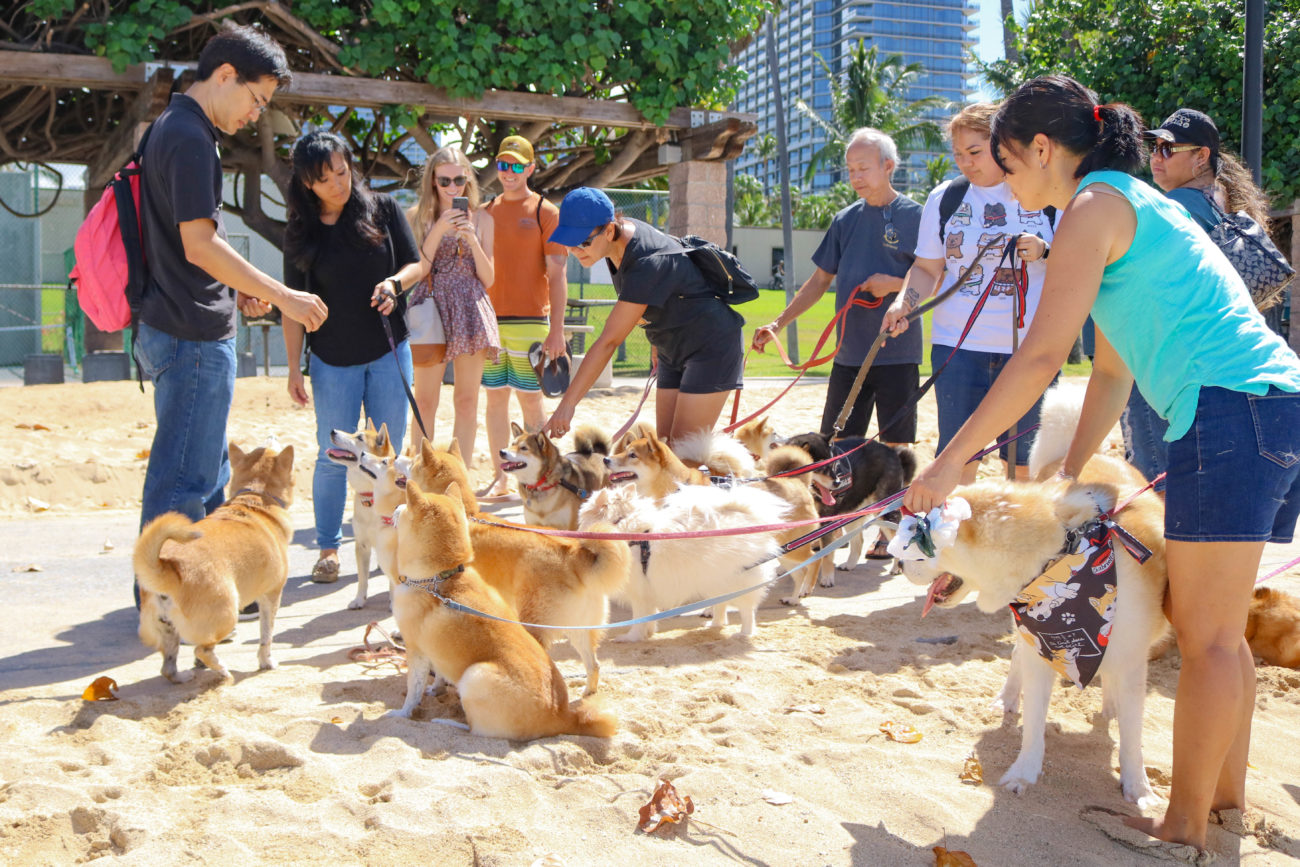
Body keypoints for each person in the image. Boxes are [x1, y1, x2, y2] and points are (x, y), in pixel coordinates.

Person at [903, 74, 1300, 856]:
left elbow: (1040, 356)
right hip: (1264, 405)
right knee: (1216, 630)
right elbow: (1112, 371)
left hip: (1232, 410)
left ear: (1044, 149)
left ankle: (1183, 824)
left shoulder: (1090, 209)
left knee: (1209, 634)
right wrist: (1070, 472)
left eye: (1008, 163)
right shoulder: (1130, 204)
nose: (1007, 182)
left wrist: (949, 463)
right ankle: (1221, 801)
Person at [134, 25, 327, 612]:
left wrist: (235, 289)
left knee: (207, 476)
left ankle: (199, 596)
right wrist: (286, 296)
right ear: (224, 75)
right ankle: (163, 608)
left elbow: (185, 245)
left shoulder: (171, 126)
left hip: (178, 321)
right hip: (188, 331)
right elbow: (199, 245)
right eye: (257, 99)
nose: (256, 114)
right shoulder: (190, 137)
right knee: (184, 485)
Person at [882, 103, 1053, 485]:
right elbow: (927, 267)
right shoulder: (947, 197)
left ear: (1004, 144)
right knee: (957, 460)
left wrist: (1045, 251)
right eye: (958, 154)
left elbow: (1080, 265)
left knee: (1027, 465)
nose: (965, 163)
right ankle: (958, 540)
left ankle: (1025, 543)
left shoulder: (1045, 194)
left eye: (974, 152)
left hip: (1029, 348)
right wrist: (903, 304)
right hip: (958, 346)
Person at [281, 131, 420, 584]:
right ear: (307, 185)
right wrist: (292, 368)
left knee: (389, 456)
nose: (339, 184)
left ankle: (393, 541)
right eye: (325, 179)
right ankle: (328, 549)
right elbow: (291, 306)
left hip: (388, 351)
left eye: (343, 172)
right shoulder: (300, 231)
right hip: (331, 359)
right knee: (331, 458)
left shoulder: (383, 209)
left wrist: (395, 284)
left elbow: (417, 265)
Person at [1121, 108, 1279, 488]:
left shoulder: (1176, 210)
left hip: (1163, 362)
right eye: (1154, 148)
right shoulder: (1217, 204)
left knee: (1157, 488)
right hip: (1211, 366)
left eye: (1167, 149)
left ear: (1201, 156)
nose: (1155, 157)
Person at [750, 128, 923, 447]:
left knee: (896, 447)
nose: (855, 177)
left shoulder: (916, 217)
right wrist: (778, 323)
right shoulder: (844, 220)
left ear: (888, 166)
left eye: (863, 168)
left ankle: (895, 499)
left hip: (897, 353)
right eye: (850, 170)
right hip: (849, 354)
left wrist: (893, 285)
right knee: (836, 446)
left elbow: (935, 278)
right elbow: (819, 281)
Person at [540, 188, 745, 443]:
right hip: (671, 347)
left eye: (582, 242)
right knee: (666, 446)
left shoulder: (646, 261)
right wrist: (657, 338)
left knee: (684, 454)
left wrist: (567, 405)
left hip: (711, 346)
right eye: (568, 242)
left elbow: (608, 342)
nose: (575, 250)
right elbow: (667, 293)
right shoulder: (615, 240)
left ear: (609, 230)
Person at [479, 135, 568, 497]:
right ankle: (503, 477)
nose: (509, 172)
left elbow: (558, 274)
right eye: (503, 165)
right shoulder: (483, 211)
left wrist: (557, 330)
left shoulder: (545, 211)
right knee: (495, 400)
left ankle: (544, 480)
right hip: (489, 322)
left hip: (532, 321)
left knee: (531, 401)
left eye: (517, 165)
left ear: (531, 168)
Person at [397, 145, 497, 460]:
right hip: (430, 307)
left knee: (466, 401)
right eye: (444, 181)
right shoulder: (416, 217)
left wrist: (471, 240)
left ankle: (460, 477)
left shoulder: (482, 218)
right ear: (432, 182)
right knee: (425, 401)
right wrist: (440, 228)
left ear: (468, 180)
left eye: (459, 180)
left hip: (470, 308)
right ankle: (421, 472)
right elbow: (416, 268)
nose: (453, 188)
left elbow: (489, 277)